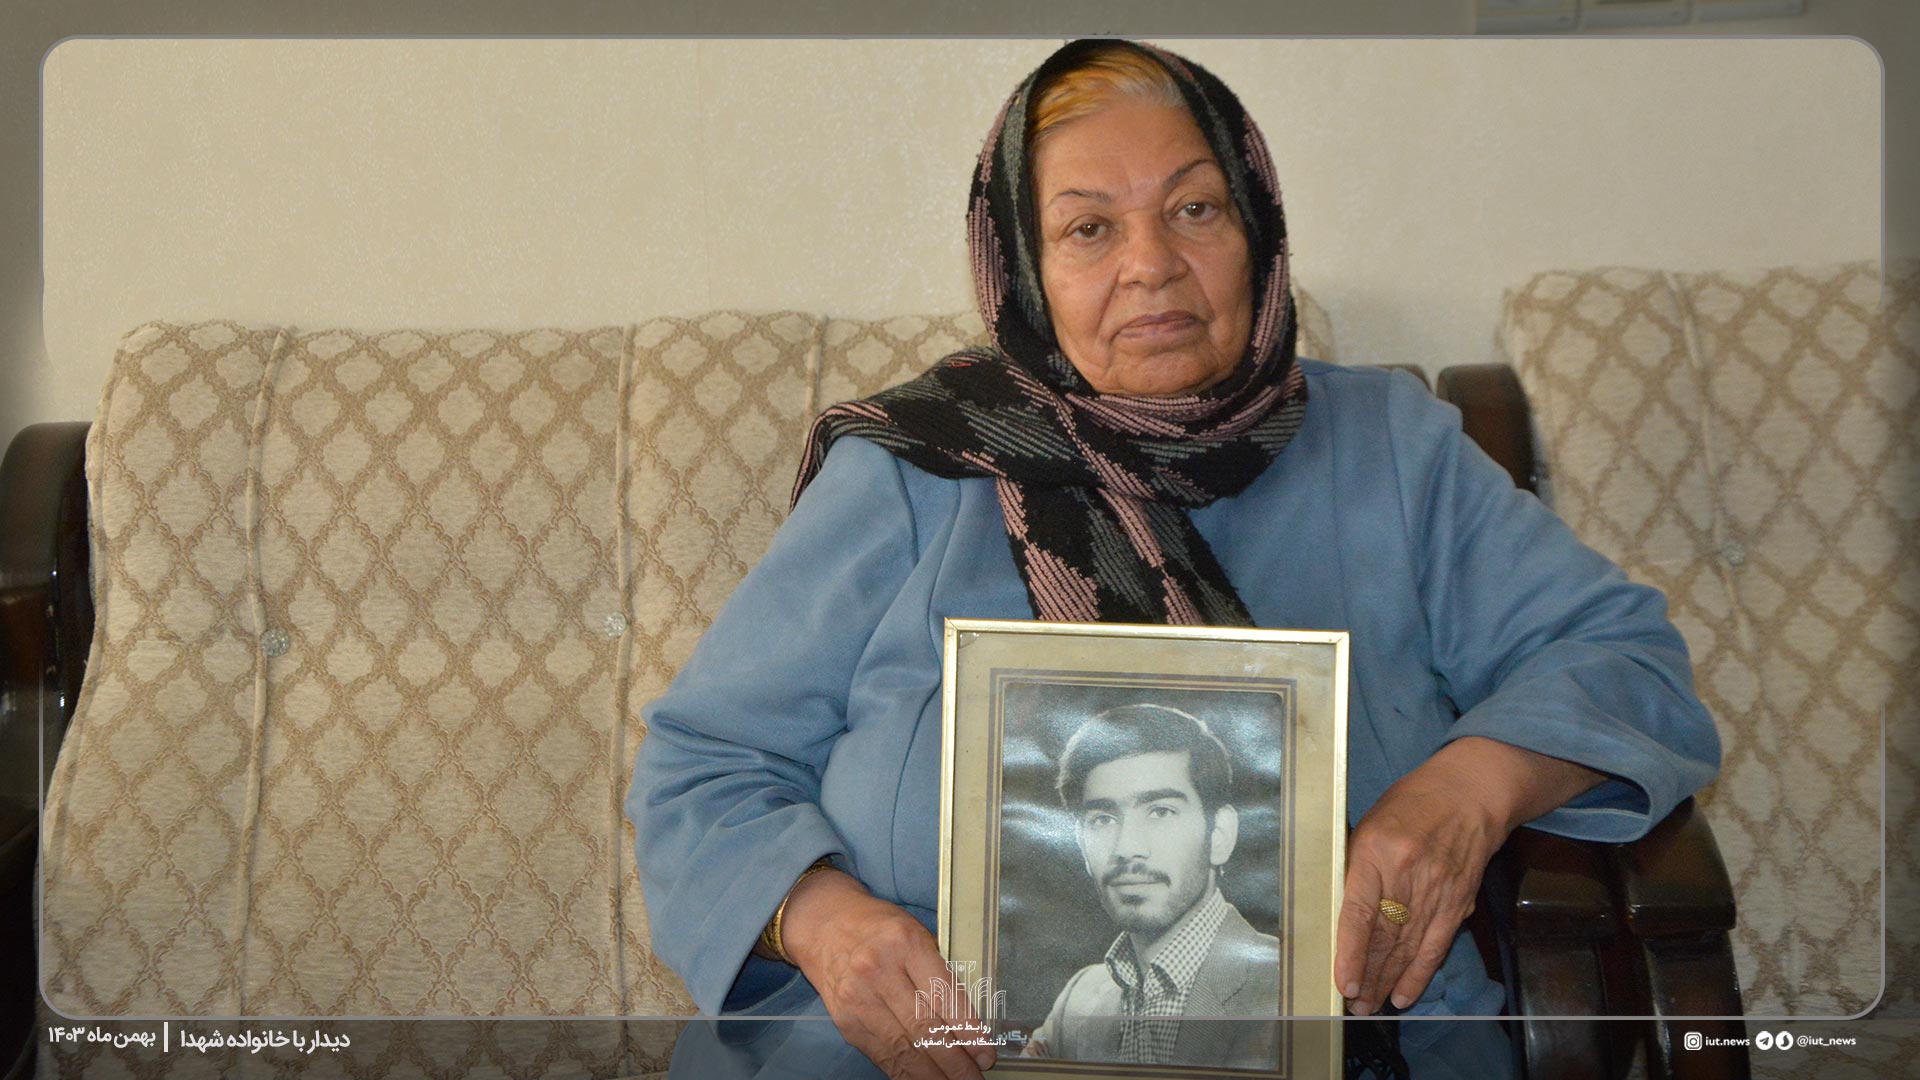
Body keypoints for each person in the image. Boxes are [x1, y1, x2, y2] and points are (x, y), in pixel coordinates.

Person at [627, 37, 1719, 1080]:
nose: (1152, 265)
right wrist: (823, 923)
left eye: (1195, 210)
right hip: (912, 1053)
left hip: (1355, 1038)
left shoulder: (1389, 451)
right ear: (1023, 268)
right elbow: (705, 769)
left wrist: (1465, 794)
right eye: (1089, 228)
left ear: (1258, 231)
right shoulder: (914, 467)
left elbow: (1624, 659)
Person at [1021, 703, 1281, 1069]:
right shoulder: (1079, 998)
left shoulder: (1289, 985)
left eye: (1160, 812)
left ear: (1219, 835)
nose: (1127, 848)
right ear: (1080, 843)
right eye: (1103, 819)